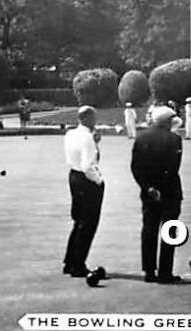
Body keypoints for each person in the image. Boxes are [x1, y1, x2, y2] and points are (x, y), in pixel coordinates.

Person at [130, 106, 183, 284]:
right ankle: (165, 272)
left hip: (149, 192)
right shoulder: (175, 139)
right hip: (170, 191)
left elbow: (135, 167)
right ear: (168, 121)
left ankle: (149, 271)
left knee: (149, 230)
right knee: (169, 231)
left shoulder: (141, 137)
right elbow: (174, 167)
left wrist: (148, 187)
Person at [63, 106, 105, 277]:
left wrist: (95, 143)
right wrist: (99, 181)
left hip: (73, 176)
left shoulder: (70, 134)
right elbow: (88, 165)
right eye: (94, 118)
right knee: (88, 223)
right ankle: (78, 264)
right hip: (86, 180)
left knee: (79, 221)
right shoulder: (87, 137)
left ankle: (70, 261)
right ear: (87, 118)